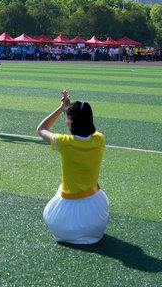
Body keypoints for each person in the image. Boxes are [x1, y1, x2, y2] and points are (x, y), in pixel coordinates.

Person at [36, 90, 109, 244]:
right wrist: (69, 114)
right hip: (95, 217)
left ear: (70, 120)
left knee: (61, 188)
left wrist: (62, 108)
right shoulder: (100, 140)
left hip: (66, 222)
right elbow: (89, 129)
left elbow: (41, 129)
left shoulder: (64, 142)